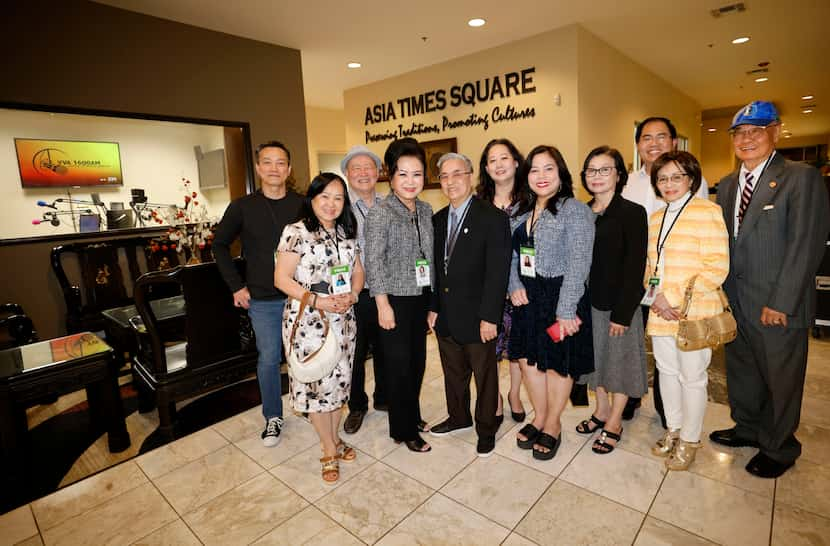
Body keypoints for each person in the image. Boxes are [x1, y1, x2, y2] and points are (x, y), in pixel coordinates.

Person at [711, 101, 830, 478]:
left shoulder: (800, 177)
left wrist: (782, 301)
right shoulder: (729, 184)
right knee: (743, 371)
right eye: (739, 133)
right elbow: (730, 242)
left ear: (775, 132)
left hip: (778, 303)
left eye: (756, 131)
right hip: (738, 301)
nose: (746, 139)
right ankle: (747, 427)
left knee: (781, 378)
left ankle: (780, 447)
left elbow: (807, 243)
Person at [274, 172, 363, 484]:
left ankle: (335, 438)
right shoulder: (295, 232)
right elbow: (281, 279)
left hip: (343, 319)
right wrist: (318, 301)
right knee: (316, 386)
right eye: (324, 196)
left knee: (338, 386)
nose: (331, 204)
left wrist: (353, 294)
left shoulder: (346, 231)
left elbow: (358, 270)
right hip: (309, 322)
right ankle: (328, 448)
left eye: (338, 198)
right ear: (312, 199)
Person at [508, 145, 595, 461]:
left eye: (549, 168)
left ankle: (553, 424)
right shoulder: (520, 211)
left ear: (561, 173)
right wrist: (514, 284)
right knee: (530, 362)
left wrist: (566, 309)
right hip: (527, 301)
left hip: (561, 301)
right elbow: (511, 255)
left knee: (558, 364)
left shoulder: (574, 210)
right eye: (534, 169)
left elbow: (579, 262)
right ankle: (540, 417)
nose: (541, 176)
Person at [214, 141, 302, 447]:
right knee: (269, 358)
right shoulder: (242, 207)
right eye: (268, 162)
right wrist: (236, 285)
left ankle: (306, 405)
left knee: (301, 356)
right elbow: (219, 245)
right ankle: (273, 417)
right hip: (263, 299)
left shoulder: (303, 204)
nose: (274, 168)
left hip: (299, 297)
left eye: (280, 163)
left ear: (289, 169)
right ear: (258, 168)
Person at [622, 117, 710, 424]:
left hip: (672, 284)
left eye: (661, 137)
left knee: (669, 349)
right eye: (646, 137)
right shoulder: (628, 182)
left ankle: (666, 409)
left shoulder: (694, 184)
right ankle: (630, 396)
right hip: (634, 278)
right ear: (638, 145)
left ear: (674, 142)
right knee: (632, 340)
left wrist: (670, 292)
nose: (654, 143)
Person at [645, 151, 729, 471]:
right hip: (660, 311)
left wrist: (673, 297)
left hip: (692, 313)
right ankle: (674, 430)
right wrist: (655, 296)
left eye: (676, 177)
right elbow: (652, 266)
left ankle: (690, 441)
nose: (669, 183)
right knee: (666, 373)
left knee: (692, 378)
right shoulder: (656, 218)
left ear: (691, 179)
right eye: (662, 178)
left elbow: (717, 267)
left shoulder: (708, 211)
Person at [428, 152, 511, 457]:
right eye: (444, 176)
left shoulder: (493, 218)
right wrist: (433, 307)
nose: (451, 182)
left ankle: (486, 428)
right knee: (453, 373)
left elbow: (497, 273)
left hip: (479, 317)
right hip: (446, 316)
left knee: (485, 376)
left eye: (457, 174)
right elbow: (435, 269)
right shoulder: (436, 220)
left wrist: (490, 317)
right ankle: (458, 417)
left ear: (471, 176)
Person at [575, 146, 648, 454]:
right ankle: (601, 410)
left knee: (618, 364)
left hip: (618, 306)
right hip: (586, 304)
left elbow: (635, 268)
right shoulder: (580, 211)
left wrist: (623, 313)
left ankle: (615, 421)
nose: (597, 176)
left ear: (619, 175)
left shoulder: (631, 213)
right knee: (596, 363)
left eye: (605, 169)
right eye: (591, 170)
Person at [364, 138, 434, 453]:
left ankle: (412, 414)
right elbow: (373, 261)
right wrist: (382, 304)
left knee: (417, 362)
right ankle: (403, 430)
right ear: (390, 176)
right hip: (392, 299)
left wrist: (433, 302)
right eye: (403, 174)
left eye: (416, 174)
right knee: (399, 365)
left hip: (420, 297)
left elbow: (430, 258)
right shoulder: (381, 212)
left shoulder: (425, 209)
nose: (410, 181)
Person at [477, 138, 529, 423]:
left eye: (504, 158)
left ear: (516, 162)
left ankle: (515, 393)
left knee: (517, 347)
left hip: (521, 287)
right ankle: (494, 396)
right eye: (492, 160)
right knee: (491, 347)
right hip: (489, 289)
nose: (498, 164)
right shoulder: (479, 203)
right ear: (486, 167)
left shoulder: (531, 201)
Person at [340, 145, 388, 434]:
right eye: (356, 168)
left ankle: (384, 397)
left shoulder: (389, 205)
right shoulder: (339, 207)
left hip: (384, 293)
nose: (363, 173)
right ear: (347, 174)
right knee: (354, 354)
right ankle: (356, 405)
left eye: (368, 167)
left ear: (378, 173)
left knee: (386, 348)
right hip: (353, 294)